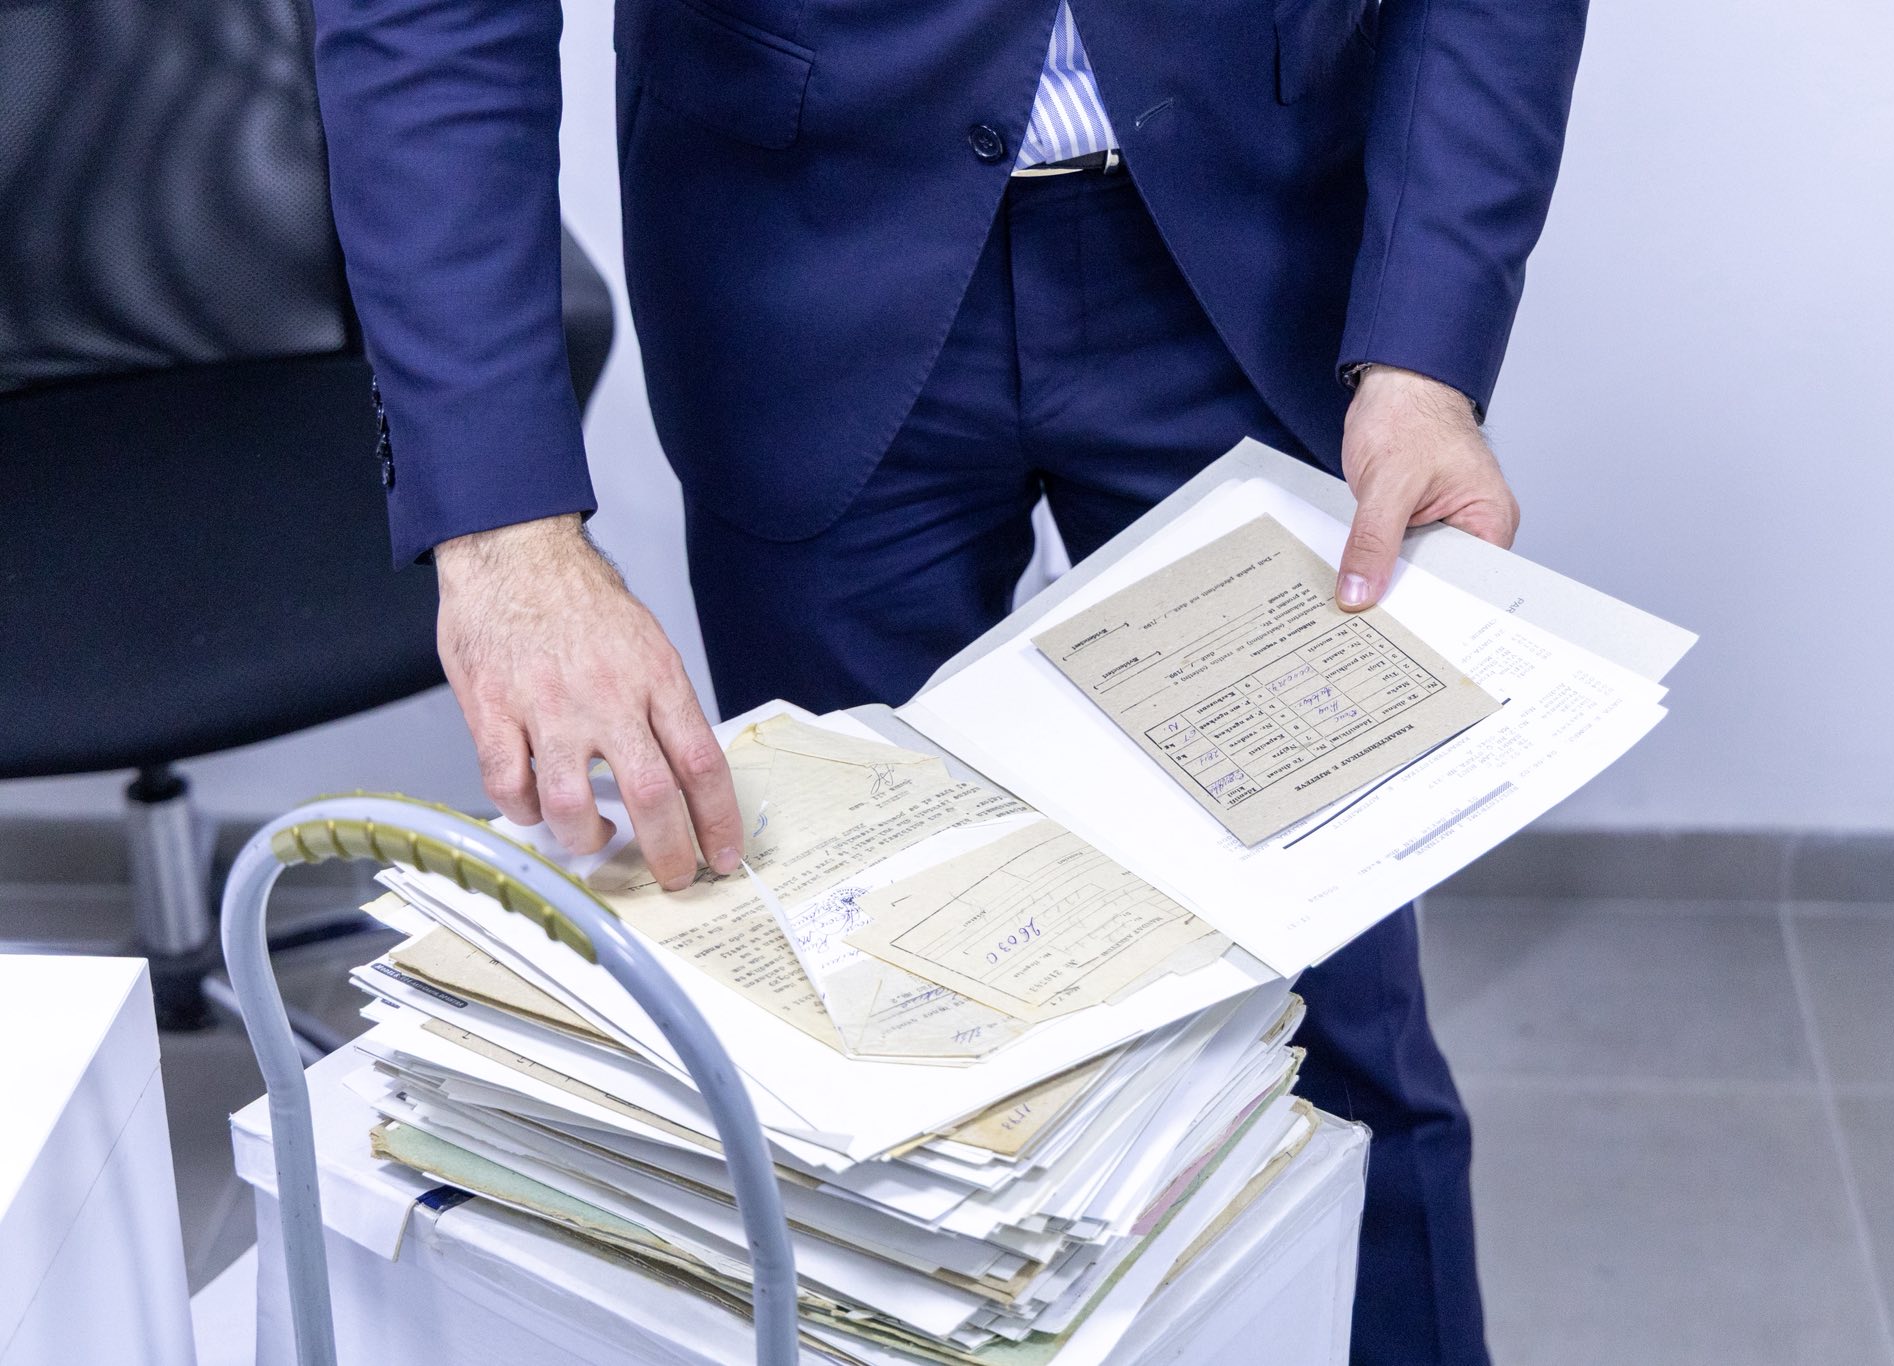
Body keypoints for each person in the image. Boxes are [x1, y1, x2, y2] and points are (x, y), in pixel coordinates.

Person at [310, 1, 1588, 1358]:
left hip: (1256, 254)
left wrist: (1427, 349)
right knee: (865, 1076)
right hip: (797, 261)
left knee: (1327, 1040)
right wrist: (504, 531)